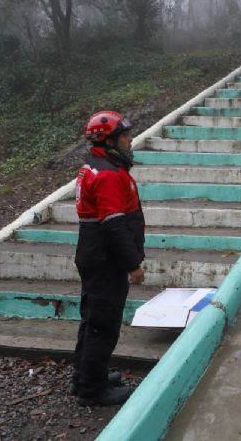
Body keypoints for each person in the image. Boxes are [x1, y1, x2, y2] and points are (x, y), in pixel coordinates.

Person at [72, 110, 146, 406]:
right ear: (110, 140)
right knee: (103, 325)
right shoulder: (108, 175)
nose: (130, 139)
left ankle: (86, 377)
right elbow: (114, 224)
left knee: (92, 321)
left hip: (94, 254)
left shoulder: (97, 166)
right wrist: (133, 265)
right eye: (125, 135)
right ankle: (93, 390)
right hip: (105, 259)